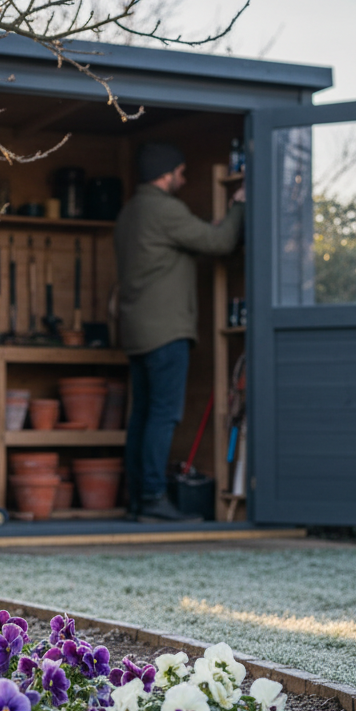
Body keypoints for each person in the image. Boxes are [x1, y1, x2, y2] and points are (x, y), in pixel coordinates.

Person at [113, 142, 245, 521]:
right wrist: (239, 205)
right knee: (163, 415)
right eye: (181, 173)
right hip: (165, 331)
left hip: (137, 331)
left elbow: (186, 245)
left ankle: (138, 499)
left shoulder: (130, 213)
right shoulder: (164, 210)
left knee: (141, 416)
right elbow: (219, 243)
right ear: (166, 174)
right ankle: (154, 497)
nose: (184, 180)